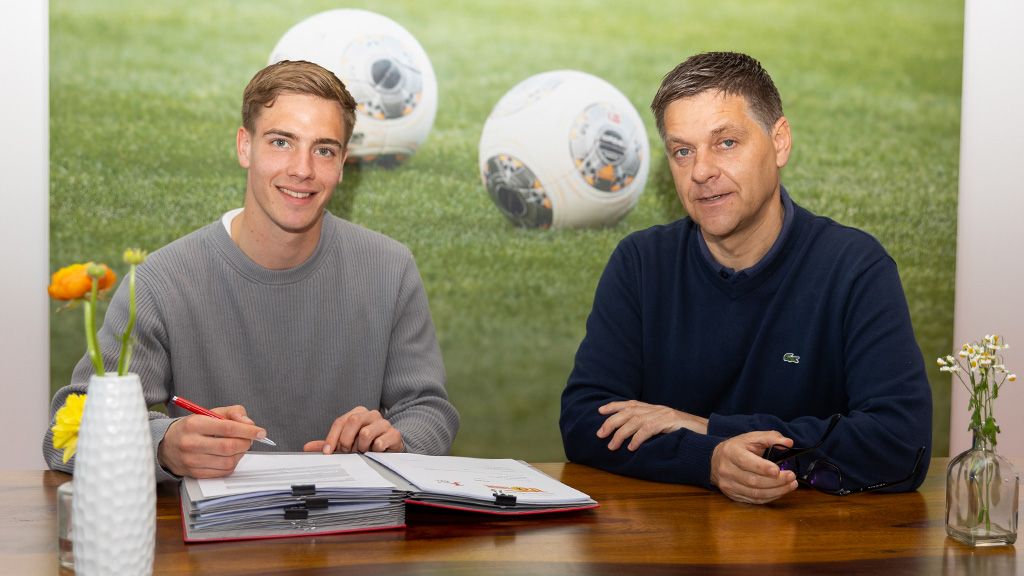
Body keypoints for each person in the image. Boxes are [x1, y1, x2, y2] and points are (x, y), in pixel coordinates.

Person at [44, 60, 459, 481]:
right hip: (214, 523)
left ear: (342, 163)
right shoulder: (161, 282)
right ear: (245, 146)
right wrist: (164, 446)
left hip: (354, 521)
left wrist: (397, 442)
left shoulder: (390, 269)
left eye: (324, 150)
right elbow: (65, 433)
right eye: (281, 142)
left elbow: (429, 409)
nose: (302, 169)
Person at [559, 52, 932, 504]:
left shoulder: (855, 268)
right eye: (683, 151)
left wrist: (708, 428)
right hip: (670, 537)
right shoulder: (640, 263)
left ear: (780, 142)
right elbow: (585, 421)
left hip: (812, 538)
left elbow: (901, 443)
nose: (701, 171)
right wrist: (709, 460)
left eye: (726, 143)